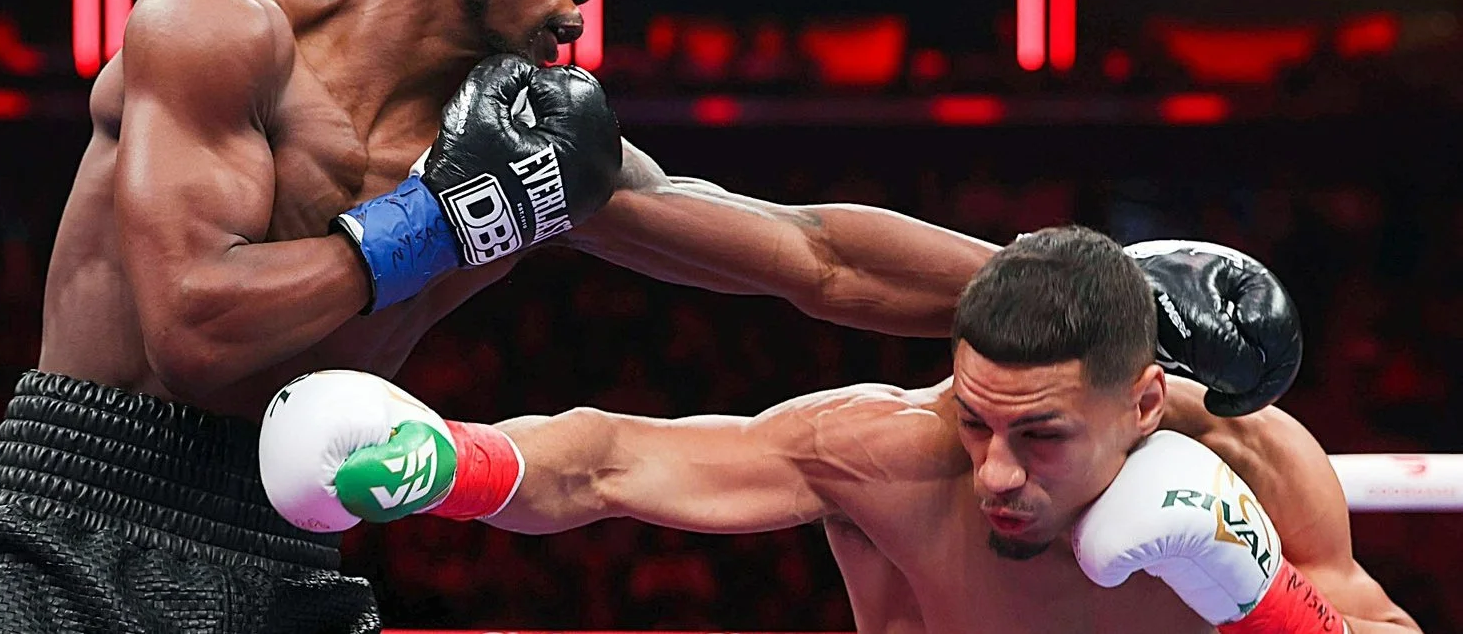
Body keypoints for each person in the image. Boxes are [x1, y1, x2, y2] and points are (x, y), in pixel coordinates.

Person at [0, 0, 1299, 630]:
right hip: (72, 520)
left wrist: (1096, 292)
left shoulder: (537, 152)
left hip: (283, 548)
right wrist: (438, 222)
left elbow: (810, 255)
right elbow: (195, 328)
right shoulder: (217, 29)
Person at [265, 226, 1421, 634]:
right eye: (976, 419)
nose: (996, 472)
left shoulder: (1253, 465)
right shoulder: (887, 450)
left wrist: (1256, 594)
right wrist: (453, 464)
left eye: (1042, 438)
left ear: (1147, 403)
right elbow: (615, 460)